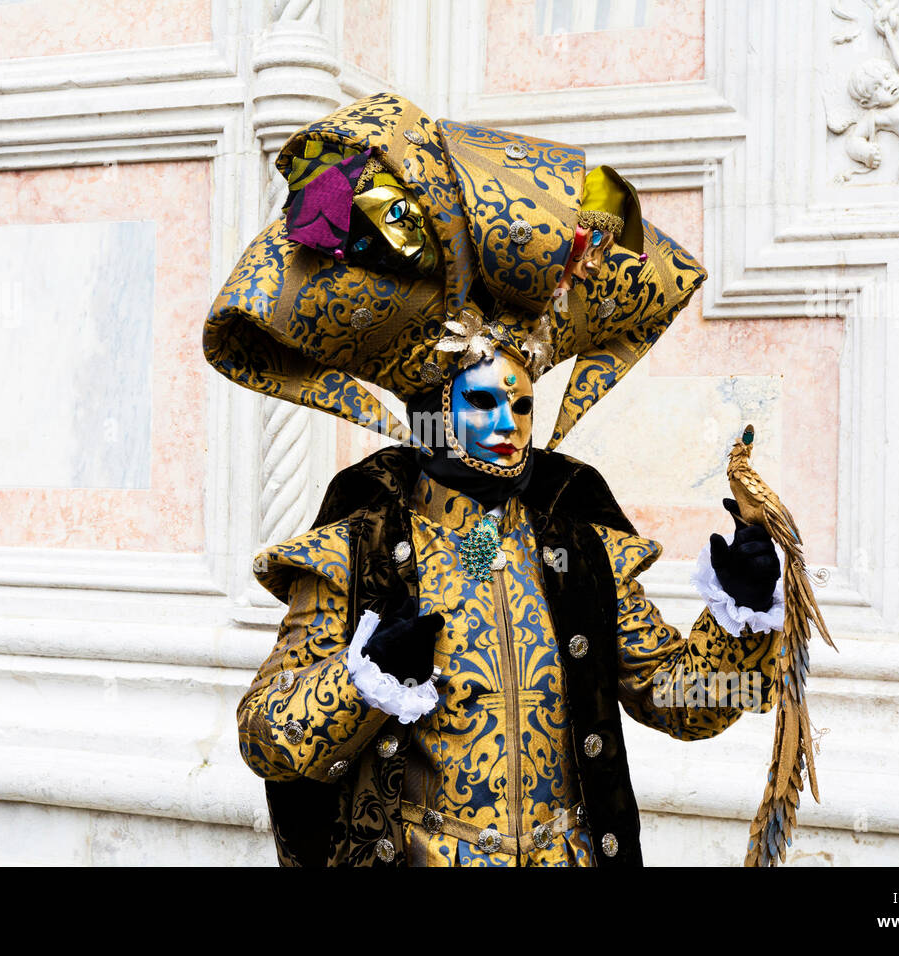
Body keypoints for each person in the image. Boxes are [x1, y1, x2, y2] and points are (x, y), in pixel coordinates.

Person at [204, 93, 784, 866]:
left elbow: (690, 706)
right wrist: (363, 682)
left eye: (521, 401)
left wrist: (743, 614)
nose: (512, 421)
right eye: (484, 401)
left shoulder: (578, 541)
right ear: (433, 409)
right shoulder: (358, 549)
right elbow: (267, 740)